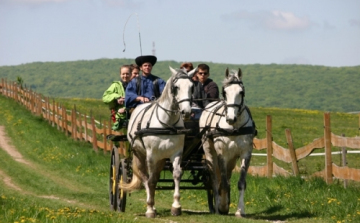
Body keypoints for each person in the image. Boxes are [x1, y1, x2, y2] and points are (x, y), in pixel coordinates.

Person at [102, 65, 131, 130]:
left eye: (127, 74)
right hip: (120, 116)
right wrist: (116, 98)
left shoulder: (134, 85)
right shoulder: (115, 85)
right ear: (120, 75)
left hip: (132, 114)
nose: (125, 76)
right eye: (123, 74)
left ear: (130, 74)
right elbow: (105, 97)